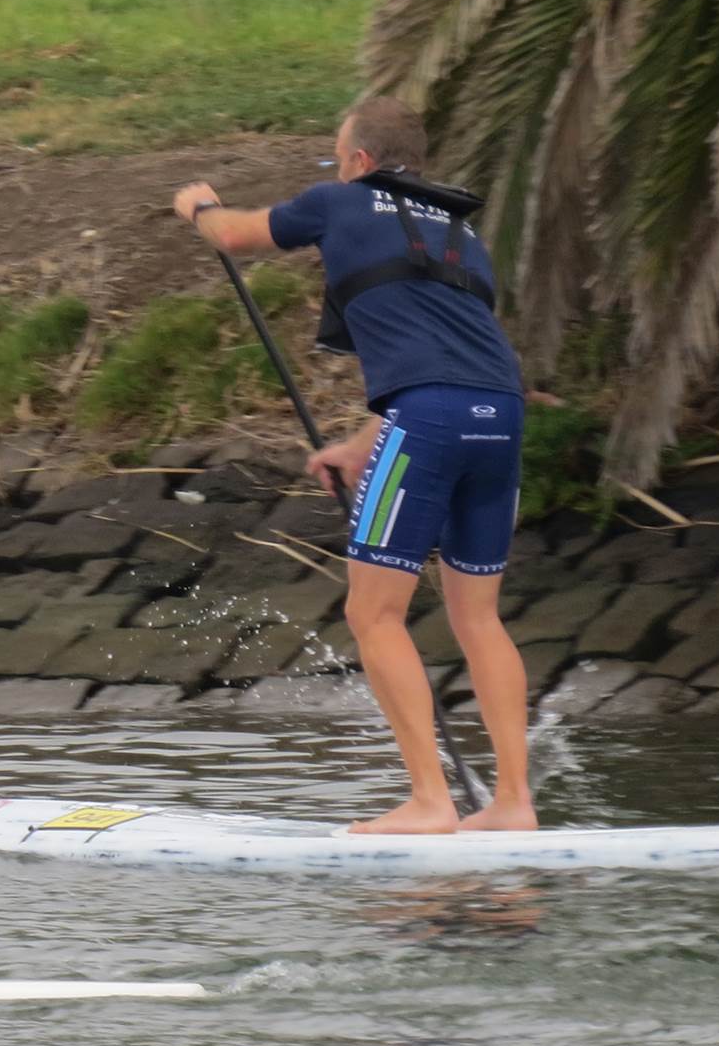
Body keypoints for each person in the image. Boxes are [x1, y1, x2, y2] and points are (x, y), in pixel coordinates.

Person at [173, 95, 536, 834]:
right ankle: (512, 804)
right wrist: (362, 445)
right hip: (499, 415)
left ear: (361, 161)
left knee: (372, 612)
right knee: (479, 617)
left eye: (337, 155)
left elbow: (237, 235)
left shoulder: (339, 201)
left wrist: (199, 207)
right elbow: (445, 355)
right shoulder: (462, 233)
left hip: (426, 421)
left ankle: (432, 803)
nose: (334, 168)